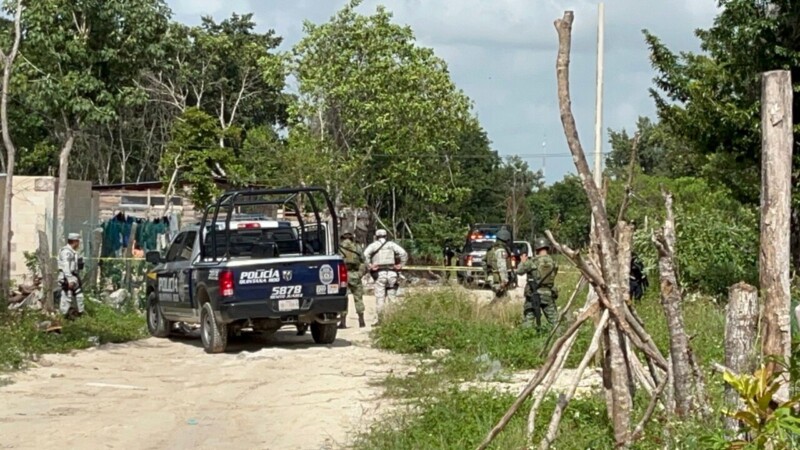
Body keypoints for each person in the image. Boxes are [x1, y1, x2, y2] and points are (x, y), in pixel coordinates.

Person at [363, 229, 408, 326]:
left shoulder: (373, 245)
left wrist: (370, 265)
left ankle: (381, 320)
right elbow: (403, 253)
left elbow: (365, 255)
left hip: (380, 274)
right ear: (386, 236)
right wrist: (401, 265)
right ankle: (393, 320)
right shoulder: (391, 245)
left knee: (380, 298)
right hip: (392, 274)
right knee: (392, 298)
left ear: (376, 236)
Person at [517, 237, 559, 331]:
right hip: (548, 294)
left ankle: (527, 338)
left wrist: (522, 262)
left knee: (528, 321)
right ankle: (560, 337)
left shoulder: (531, 262)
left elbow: (519, 271)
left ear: (536, 249)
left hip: (533, 294)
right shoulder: (554, 262)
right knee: (555, 322)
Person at [338, 232, 366, 329]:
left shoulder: (339, 248)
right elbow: (363, 262)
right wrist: (360, 274)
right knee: (358, 298)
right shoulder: (357, 247)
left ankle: (342, 322)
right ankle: (361, 321)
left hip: (342, 275)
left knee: (343, 298)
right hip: (355, 274)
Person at [58, 233, 85, 318]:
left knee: (79, 296)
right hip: (67, 277)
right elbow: (66, 267)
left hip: (73, 276)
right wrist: (69, 279)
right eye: (78, 241)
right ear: (75, 241)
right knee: (67, 297)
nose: (79, 244)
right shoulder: (66, 252)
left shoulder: (72, 252)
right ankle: (63, 316)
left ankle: (80, 314)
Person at [485, 228, 513, 298]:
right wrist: (504, 280)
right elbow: (502, 266)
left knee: (500, 298)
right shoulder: (501, 250)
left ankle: (489, 308)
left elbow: (484, 262)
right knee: (503, 299)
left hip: (493, 278)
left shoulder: (492, 249)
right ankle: (487, 309)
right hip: (499, 280)